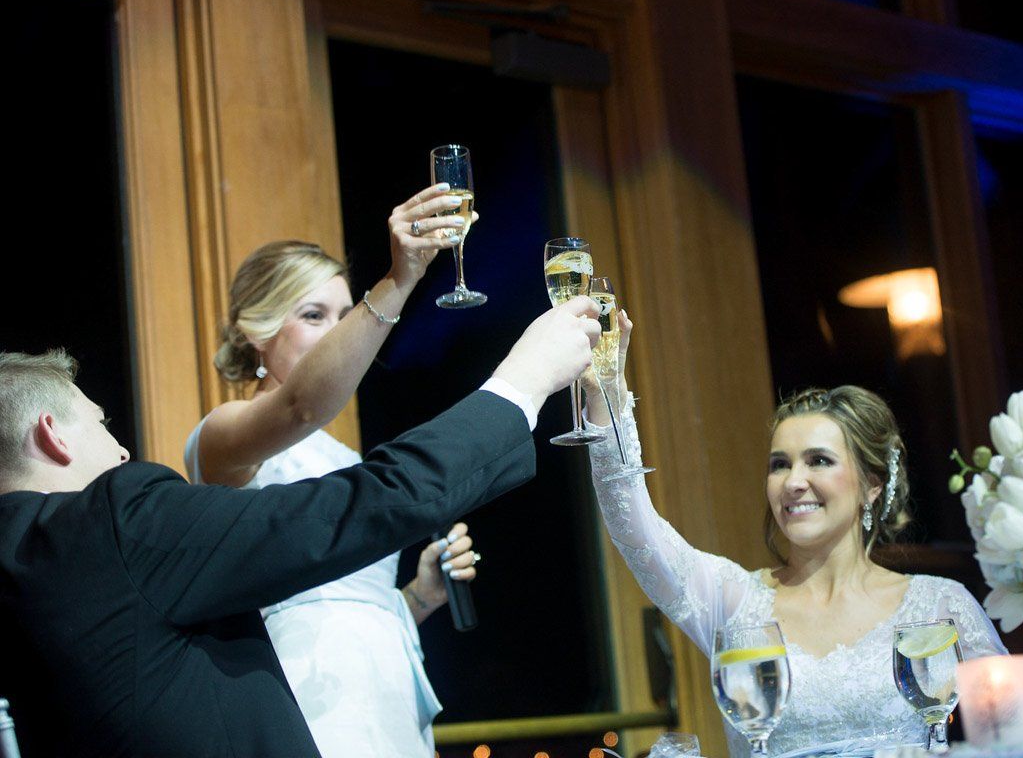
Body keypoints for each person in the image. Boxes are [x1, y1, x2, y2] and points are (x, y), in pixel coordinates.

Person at [0, 295, 600, 758]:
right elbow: (360, 505)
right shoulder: (112, 522)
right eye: (101, 425)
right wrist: (522, 383)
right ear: (52, 433)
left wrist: (413, 599)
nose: (123, 450)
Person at [582, 313, 1005, 757]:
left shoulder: (941, 605)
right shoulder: (734, 600)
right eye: (780, 464)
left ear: (871, 484)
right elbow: (631, 522)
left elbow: (1014, 740)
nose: (793, 482)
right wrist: (605, 392)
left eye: (818, 461)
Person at [183, 184, 477, 757]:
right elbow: (302, 407)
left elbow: (351, 617)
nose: (342, 333)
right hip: (302, 706)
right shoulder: (222, 437)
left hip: (386, 703)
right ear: (257, 331)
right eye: (315, 316)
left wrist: (418, 596)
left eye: (347, 316)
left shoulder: (348, 462)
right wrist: (400, 279)